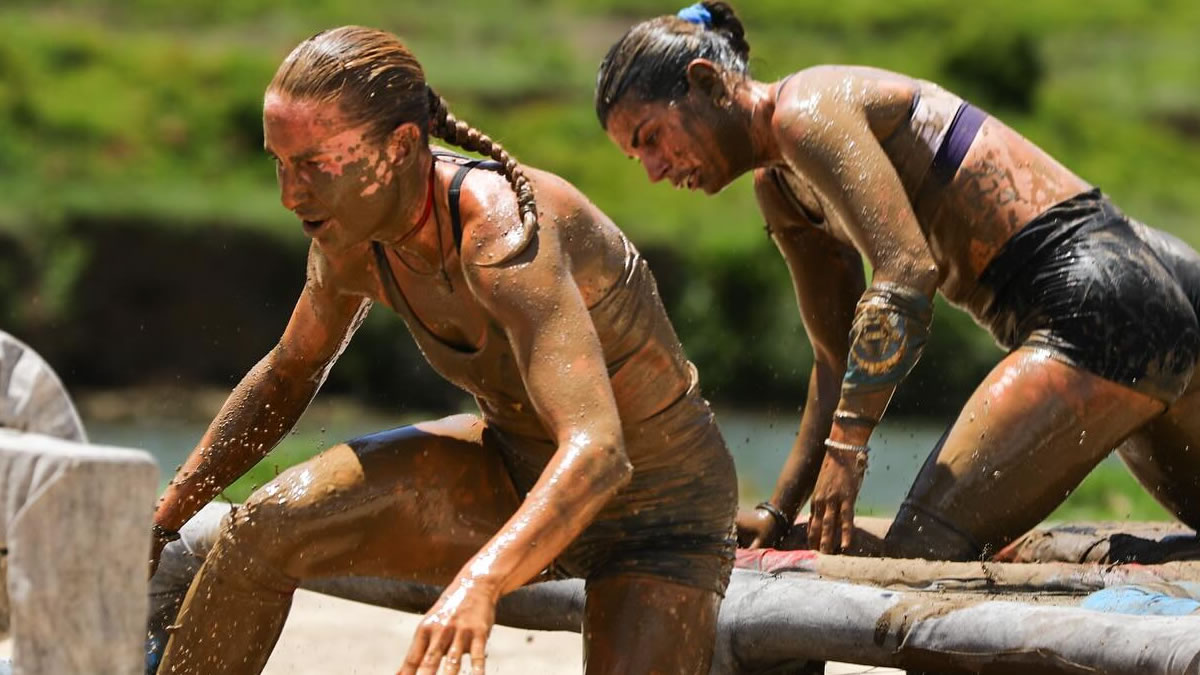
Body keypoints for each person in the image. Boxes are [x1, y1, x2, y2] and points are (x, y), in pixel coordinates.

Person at [150, 25, 737, 675]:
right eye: (279, 164)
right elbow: (288, 375)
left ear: (401, 147)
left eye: (313, 165)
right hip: (515, 476)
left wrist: (480, 581)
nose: (290, 194)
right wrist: (163, 520)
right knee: (264, 528)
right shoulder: (349, 238)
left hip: (657, 519)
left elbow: (598, 451)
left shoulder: (503, 234)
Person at [594, 2, 1200, 560]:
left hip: (1101, 303)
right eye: (635, 157)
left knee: (924, 550)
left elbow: (907, 272)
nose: (653, 170)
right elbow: (835, 358)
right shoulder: (779, 188)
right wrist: (777, 512)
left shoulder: (804, 112)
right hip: (1139, 280)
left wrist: (847, 451)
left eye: (651, 138)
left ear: (706, 83)